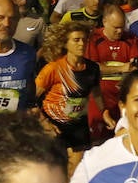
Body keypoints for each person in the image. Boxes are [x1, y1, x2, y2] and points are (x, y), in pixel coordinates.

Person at [37, 21, 109, 160]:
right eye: (76, 40)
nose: (81, 44)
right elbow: (31, 98)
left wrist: (104, 113)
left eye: (84, 40)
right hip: (55, 127)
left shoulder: (93, 68)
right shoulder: (53, 68)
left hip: (79, 127)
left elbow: (97, 93)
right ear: (65, 43)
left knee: (77, 169)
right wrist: (44, 122)